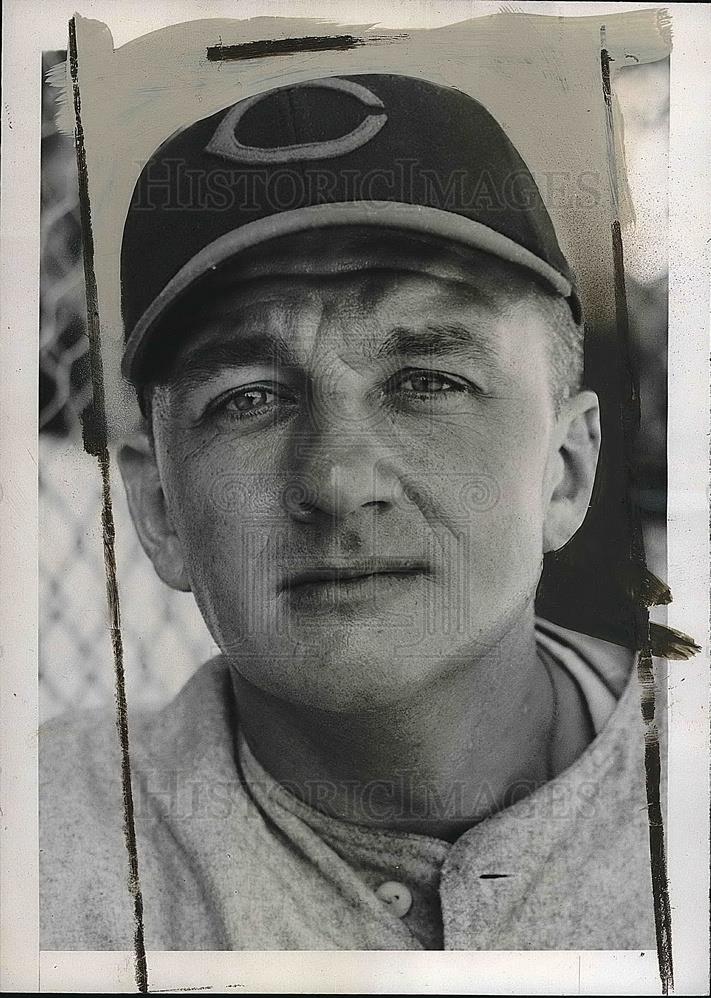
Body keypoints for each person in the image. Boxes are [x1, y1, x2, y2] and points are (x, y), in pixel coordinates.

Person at [40, 74, 655, 950]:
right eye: (249, 398)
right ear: (159, 508)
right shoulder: (40, 851)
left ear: (564, 468)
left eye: (427, 382)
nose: (335, 478)